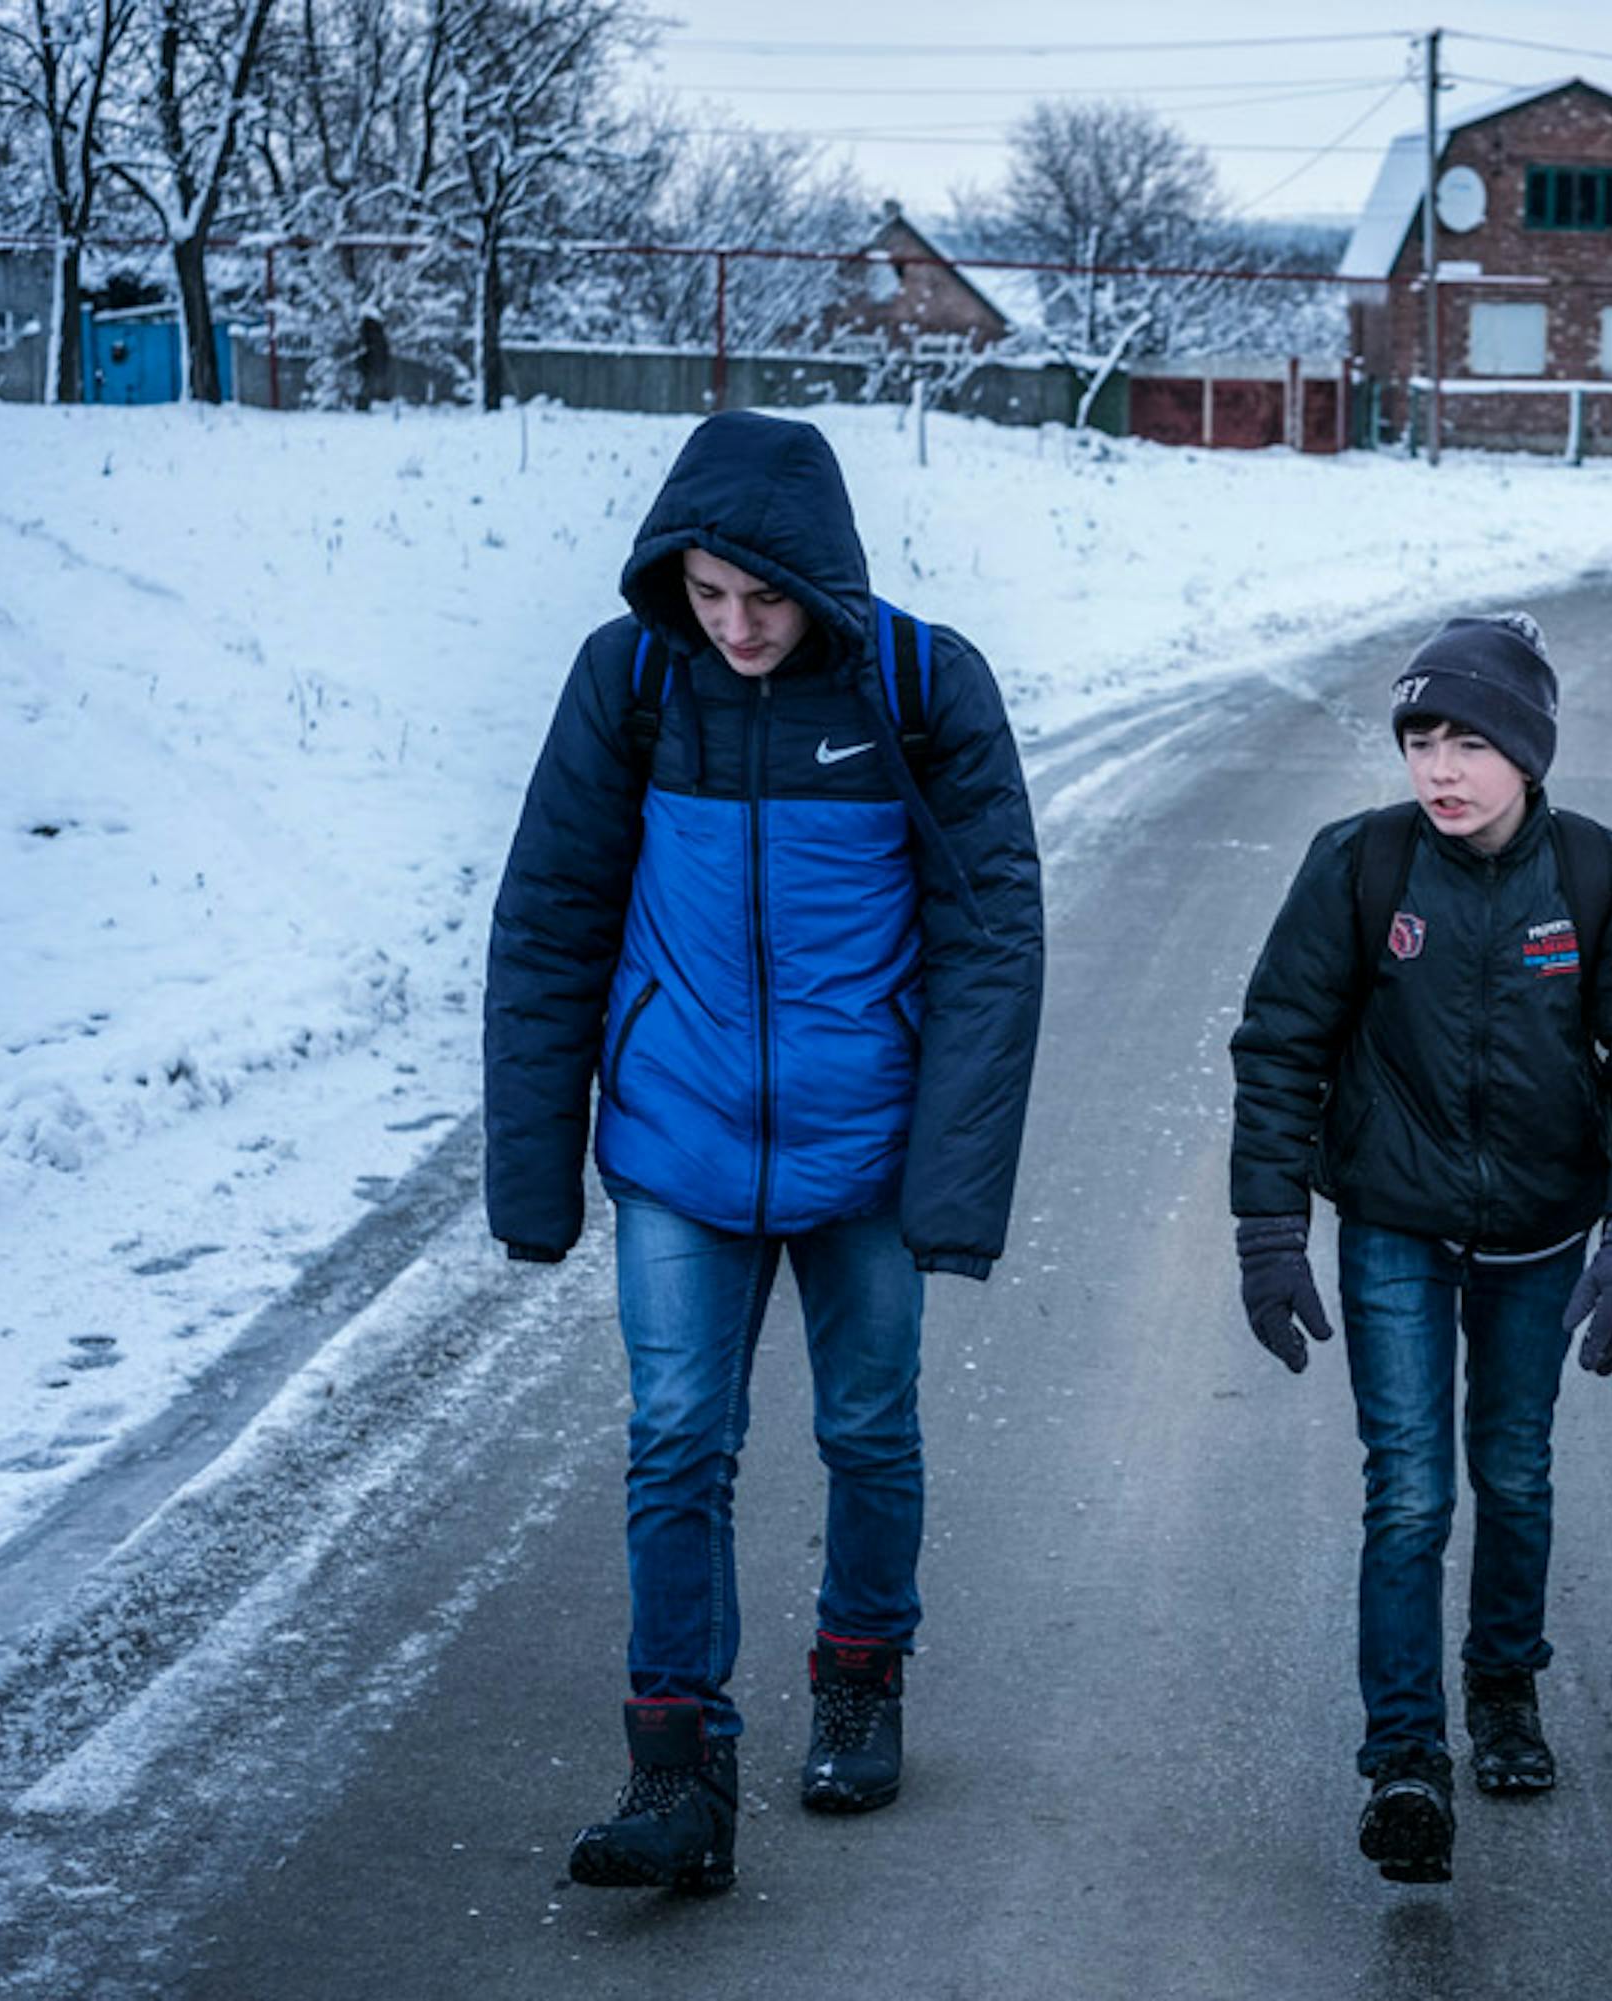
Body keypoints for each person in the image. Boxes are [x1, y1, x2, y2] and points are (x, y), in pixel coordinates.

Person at [483, 411, 1043, 1893]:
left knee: (867, 1427)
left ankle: (860, 1672)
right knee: (677, 1440)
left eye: (765, 598)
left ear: (824, 579)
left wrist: (951, 1180)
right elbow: (550, 918)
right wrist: (536, 1171)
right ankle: (677, 1766)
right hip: (676, 1136)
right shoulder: (631, 681)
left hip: (866, 1146)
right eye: (710, 594)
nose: (735, 625)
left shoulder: (923, 686)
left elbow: (992, 945)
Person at [1227, 613, 1612, 1884]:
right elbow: (1278, 1046)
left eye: (1470, 742)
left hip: (1544, 1232)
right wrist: (1270, 1228)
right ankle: (1403, 1757)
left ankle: (1501, 1688)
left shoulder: (1602, 878)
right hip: (1393, 1220)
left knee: (1515, 1470)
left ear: (1530, 750)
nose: (1440, 770)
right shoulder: (1360, 867)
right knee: (1409, 1490)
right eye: (1420, 741)